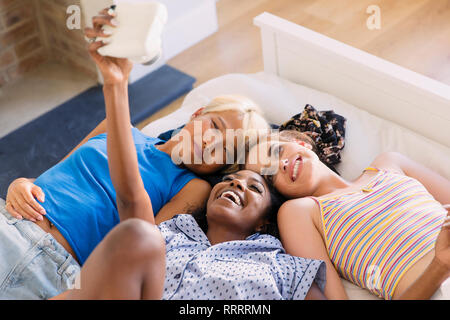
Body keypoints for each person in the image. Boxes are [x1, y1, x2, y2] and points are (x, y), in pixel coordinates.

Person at [0, 8, 270, 299]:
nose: (210, 143)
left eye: (225, 148)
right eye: (215, 126)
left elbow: (140, 247)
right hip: (8, 218)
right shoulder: (116, 127)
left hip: (47, 261)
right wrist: (21, 183)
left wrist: (116, 86)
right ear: (197, 113)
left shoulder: (193, 187)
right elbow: (50, 175)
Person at [53, 170, 326, 300]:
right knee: (137, 234)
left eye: (254, 188)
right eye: (229, 178)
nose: (235, 183)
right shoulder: (169, 235)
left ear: (263, 222)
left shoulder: (280, 265)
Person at [245, 129, 450, 300]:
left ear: (302, 143)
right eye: (269, 175)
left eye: (277, 151)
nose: (280, 164)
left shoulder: (390, 163)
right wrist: (439, 266)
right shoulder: (299, 212)